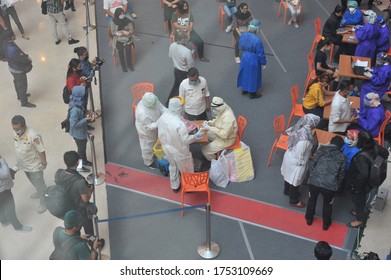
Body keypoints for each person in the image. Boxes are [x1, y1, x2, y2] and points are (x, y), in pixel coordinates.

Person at [157, 98, 204, 192]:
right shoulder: (180, 124)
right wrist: (196, 136)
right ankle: (190, 187)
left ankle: (175, 186)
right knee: (187, 169)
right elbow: (186, 140)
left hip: (166, 148)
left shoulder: (163, 117)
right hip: (180, 152)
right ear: (179, 108)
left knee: (173, 166)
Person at [345, 131, 389, 228]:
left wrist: (356, 187)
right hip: (370, 181)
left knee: (358, 200)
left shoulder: (362, 157)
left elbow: (363, 175)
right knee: (360, 200)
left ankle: (359, 220)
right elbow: (385, 153)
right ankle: (359, 211)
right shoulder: (375, 147)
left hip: (360, 185)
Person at [305, 136, 346, 231]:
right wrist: (336, 187)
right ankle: (326, 224)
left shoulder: (321, 150)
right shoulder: (342, 157)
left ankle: (309, 219)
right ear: (341, 146)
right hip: (330, 185)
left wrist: (311, 179)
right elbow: (341, 175)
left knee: (312, 199)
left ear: (331, 142)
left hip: (314, 182)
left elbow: (312, 164)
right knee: (328, 204)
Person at [281, 114, 320, 208]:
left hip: (289, 156)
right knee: (295, 181)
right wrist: (301, 163)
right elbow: (300, 152)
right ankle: (293, 200)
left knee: (288, 176)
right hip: (296, 162)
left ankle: (287, 191)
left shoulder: (299, 127)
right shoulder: (305, 139)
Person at [11, 115, 47, 214]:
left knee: (40, 184)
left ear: (23, 126)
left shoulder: (33, 135)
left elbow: (41, 151)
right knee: (33, 181)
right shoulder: (16, 132)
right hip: (24, 164)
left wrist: (43, 163)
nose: (15, 131)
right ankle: (39, 192)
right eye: (14, 128)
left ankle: (44, 201)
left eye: (17, 129)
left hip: (35, 166)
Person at [55, 151, 96, 235]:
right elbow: (86, 199)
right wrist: (91, 189)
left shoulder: (59, 173)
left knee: (74, 228)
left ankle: (77, 238)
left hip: (67, 206)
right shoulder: (80, 181)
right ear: (78, 162)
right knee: (88, 226)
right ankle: (92, 242)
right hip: (79, 209)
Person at [0, 155, 32, 232]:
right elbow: (5, 174)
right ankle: (17, 227)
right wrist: (2, 160)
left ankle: (3, 220)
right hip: (3, 191)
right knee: (10, 208)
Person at [135, 92, 167, 169]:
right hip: (147, 132)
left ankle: (156, 153)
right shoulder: (142, 113)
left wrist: (168, 113)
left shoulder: (153, 100)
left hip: (156, 124)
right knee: (147, 147)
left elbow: (161, 107)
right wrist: (161, 121)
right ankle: (148, 162)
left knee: (157, 141)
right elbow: (149, 127)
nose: (155, 104)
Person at [237, 19, 266, 99]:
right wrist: (263, 62)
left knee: (244, 73)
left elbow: (240, 46)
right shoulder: (257, 40)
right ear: (257, 29)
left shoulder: (243, 35)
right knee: (253, 75)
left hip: (244, 56)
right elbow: (260, 54)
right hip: (253, 58)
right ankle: (252, 94)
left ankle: (244, 90)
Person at [202, 97, 238, 161]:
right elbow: (217, 118)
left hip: (226, 140)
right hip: (220, 133)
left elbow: (224, 135)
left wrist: (210, 128)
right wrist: (209, 123)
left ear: (218, 108)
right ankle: (212, 149)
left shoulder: (228, 118)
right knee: (205, 135)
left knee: (205, 150)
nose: (213, 110)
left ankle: (215, 162)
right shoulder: (223, 108)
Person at [2, 39, 36, 107]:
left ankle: (20, 96)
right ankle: (24, 102)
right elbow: (22, 59)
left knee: (17, 82)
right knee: (22, 86)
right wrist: (29, 60)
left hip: (11, 67)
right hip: (18, 70)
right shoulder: (13, 49)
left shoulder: (4, 43)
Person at [68, 84, 93, 171]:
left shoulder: (76, 103)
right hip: (78, 134)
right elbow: (74, 124)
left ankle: (84, 161)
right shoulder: (75, 110)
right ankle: (79, 166)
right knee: (81, 150)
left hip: (81, 131)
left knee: (83, 148)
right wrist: (85, 120)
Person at [167, 30, 194, 105]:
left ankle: (169, 102)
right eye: (186, 37)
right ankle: (182, 104)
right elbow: (190, 65)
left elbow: (170, 55)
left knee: (176, 85)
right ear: (182, 40)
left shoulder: (172, 45)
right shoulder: (186, 51)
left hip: (176, 70)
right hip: (184, 72)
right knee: (184, 88)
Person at [111, 8, 136, 72]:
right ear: (117, 14)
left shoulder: (127, 21)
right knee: (120, 50)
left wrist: (128, 32)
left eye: (123, 13)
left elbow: (132, 30)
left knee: (128, 49)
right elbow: (112, 32)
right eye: (121, 14)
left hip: (127, 37)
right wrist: (117, 33)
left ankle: (129, 65)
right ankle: (123, 66)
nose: (122, 15)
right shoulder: (114, 21)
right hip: (118, 39)